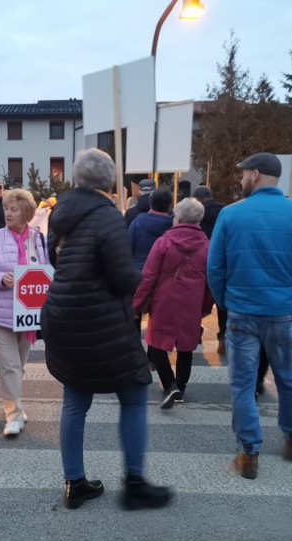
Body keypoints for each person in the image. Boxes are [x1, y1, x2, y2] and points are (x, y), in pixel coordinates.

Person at [41, 148, 172, 511]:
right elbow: (120, 274)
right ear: (108, 180)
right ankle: (134, 483)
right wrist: (145, 281)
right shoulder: (107, 215)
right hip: (101, 320)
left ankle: (74, 483)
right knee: (132, 395)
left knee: (75, 400)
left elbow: (54, 259)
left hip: (63, 315)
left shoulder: (60, 213)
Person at [207, 152, 292, 480]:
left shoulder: (231, 216)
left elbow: (215, 268)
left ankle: (249, 453)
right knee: (289, 378)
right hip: (282, 312)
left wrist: (226, 303)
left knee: (243, 384)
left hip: (242, 313)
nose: (241, 180)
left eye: (244, 174)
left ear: (256, 174)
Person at [0, 188, 49, 437]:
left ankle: (16, 404)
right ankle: (13, 415)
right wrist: (0, 278)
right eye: (6, 208)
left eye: (13, 209)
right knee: (10, 365)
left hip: (28, 314)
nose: (7, 212)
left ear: (26, 212)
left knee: (20, 364)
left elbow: (46, 270)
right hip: (1, 312)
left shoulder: (38, 238)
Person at [133, 198, 210, 409]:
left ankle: (170, 384)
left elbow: (148, 277)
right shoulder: (206, 246)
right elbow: (211, 281)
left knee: (156, 343)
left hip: (165, 300)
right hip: (192, 302)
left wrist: (137, 304)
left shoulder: (164, 243)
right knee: (186, 347)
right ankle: (181, 388)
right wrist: (206, 306)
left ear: (180, 218)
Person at [192, 185, 227, 355]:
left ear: (197, 199)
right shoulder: (225, 211)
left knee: (197, 299)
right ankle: (223, 338)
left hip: (201, 261)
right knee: (223, 303)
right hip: (223, 261)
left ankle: (195, 333)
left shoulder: (196, 212)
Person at [128, 187, 174, 272]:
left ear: (151, 203)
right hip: (165, 274)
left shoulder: (137, 223)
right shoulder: (174, 226)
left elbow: (127, 249)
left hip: (140, 271)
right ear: (170, 205)